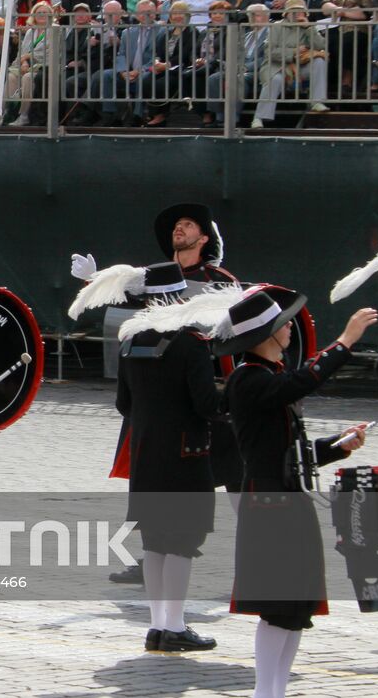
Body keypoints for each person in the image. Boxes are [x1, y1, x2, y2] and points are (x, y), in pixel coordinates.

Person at [217, 287, 373, 698]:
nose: (290, 328)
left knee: (295, 610)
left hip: (288, 503)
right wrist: (346, 341)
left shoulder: (267, 378)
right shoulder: (249, 379)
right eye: (283, 324)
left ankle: (276, 692)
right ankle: (264, 693)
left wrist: (337, 445)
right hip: (270, 507)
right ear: (266, 334)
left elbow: (291, 450)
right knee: (277, 609)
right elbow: (305, 381)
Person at [110, 263, 219, 652]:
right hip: (185, 456)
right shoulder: (192, 343)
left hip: (144, 453)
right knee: (182, 544)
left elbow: (124, 404)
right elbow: (207, 405)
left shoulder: (128, 342)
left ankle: (158, 626)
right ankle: (174, 626)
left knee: (155, 544)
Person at [253, 0, 330, 128]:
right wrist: (294, 51)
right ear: (286, 13)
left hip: (301, 66)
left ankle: (317, 102)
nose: (298, 14)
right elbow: (270, 52)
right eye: (294, 11)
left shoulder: (309, 27)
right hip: (278, 67)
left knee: (319, 61)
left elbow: (321, 45)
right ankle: (259, 118)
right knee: (275, 80)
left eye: (301, 11)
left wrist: (309, 29)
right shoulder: (276, 27)